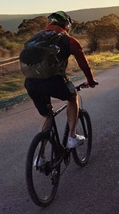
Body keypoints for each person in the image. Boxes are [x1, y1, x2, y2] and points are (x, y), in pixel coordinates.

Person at [24, 11, 98, 149]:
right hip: (54, 83)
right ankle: (72, 137)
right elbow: (84, 64)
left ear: (49, 23)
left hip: (31, 83)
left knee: (47, 116)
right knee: (73, 97)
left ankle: (39, 158)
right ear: (66, 25)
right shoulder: (69, 40)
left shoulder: (35, 39)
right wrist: (90, 80)